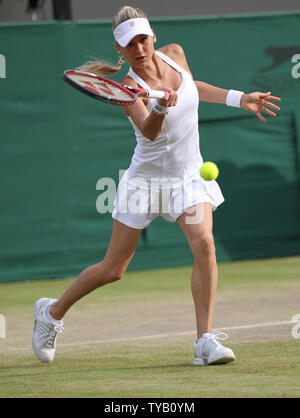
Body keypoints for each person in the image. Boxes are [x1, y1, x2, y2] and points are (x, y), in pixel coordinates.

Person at [32, 5, 281, 366]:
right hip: (145, 184)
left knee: (205, 243)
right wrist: (161, 109)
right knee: (113, 269)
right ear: (119, 50)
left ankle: (204, 341)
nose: (138, 48)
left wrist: (238, 98)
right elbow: (149, 133)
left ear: (153, 36)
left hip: (189, 178)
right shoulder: (129, 89)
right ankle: (51, 313)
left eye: (142, 39)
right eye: (128, 44)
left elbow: (192, 87)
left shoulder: (176, 55)